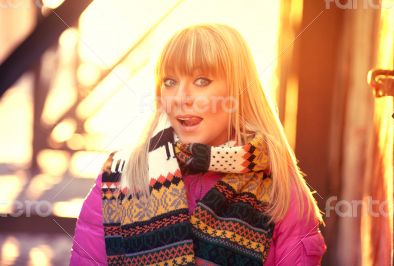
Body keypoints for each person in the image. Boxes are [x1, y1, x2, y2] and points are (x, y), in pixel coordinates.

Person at [70, 23, 327, 265]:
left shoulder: (281, 191)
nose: (181, 98)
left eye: (201, 81)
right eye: (170, 82)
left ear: (238, 92)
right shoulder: (121, 177)